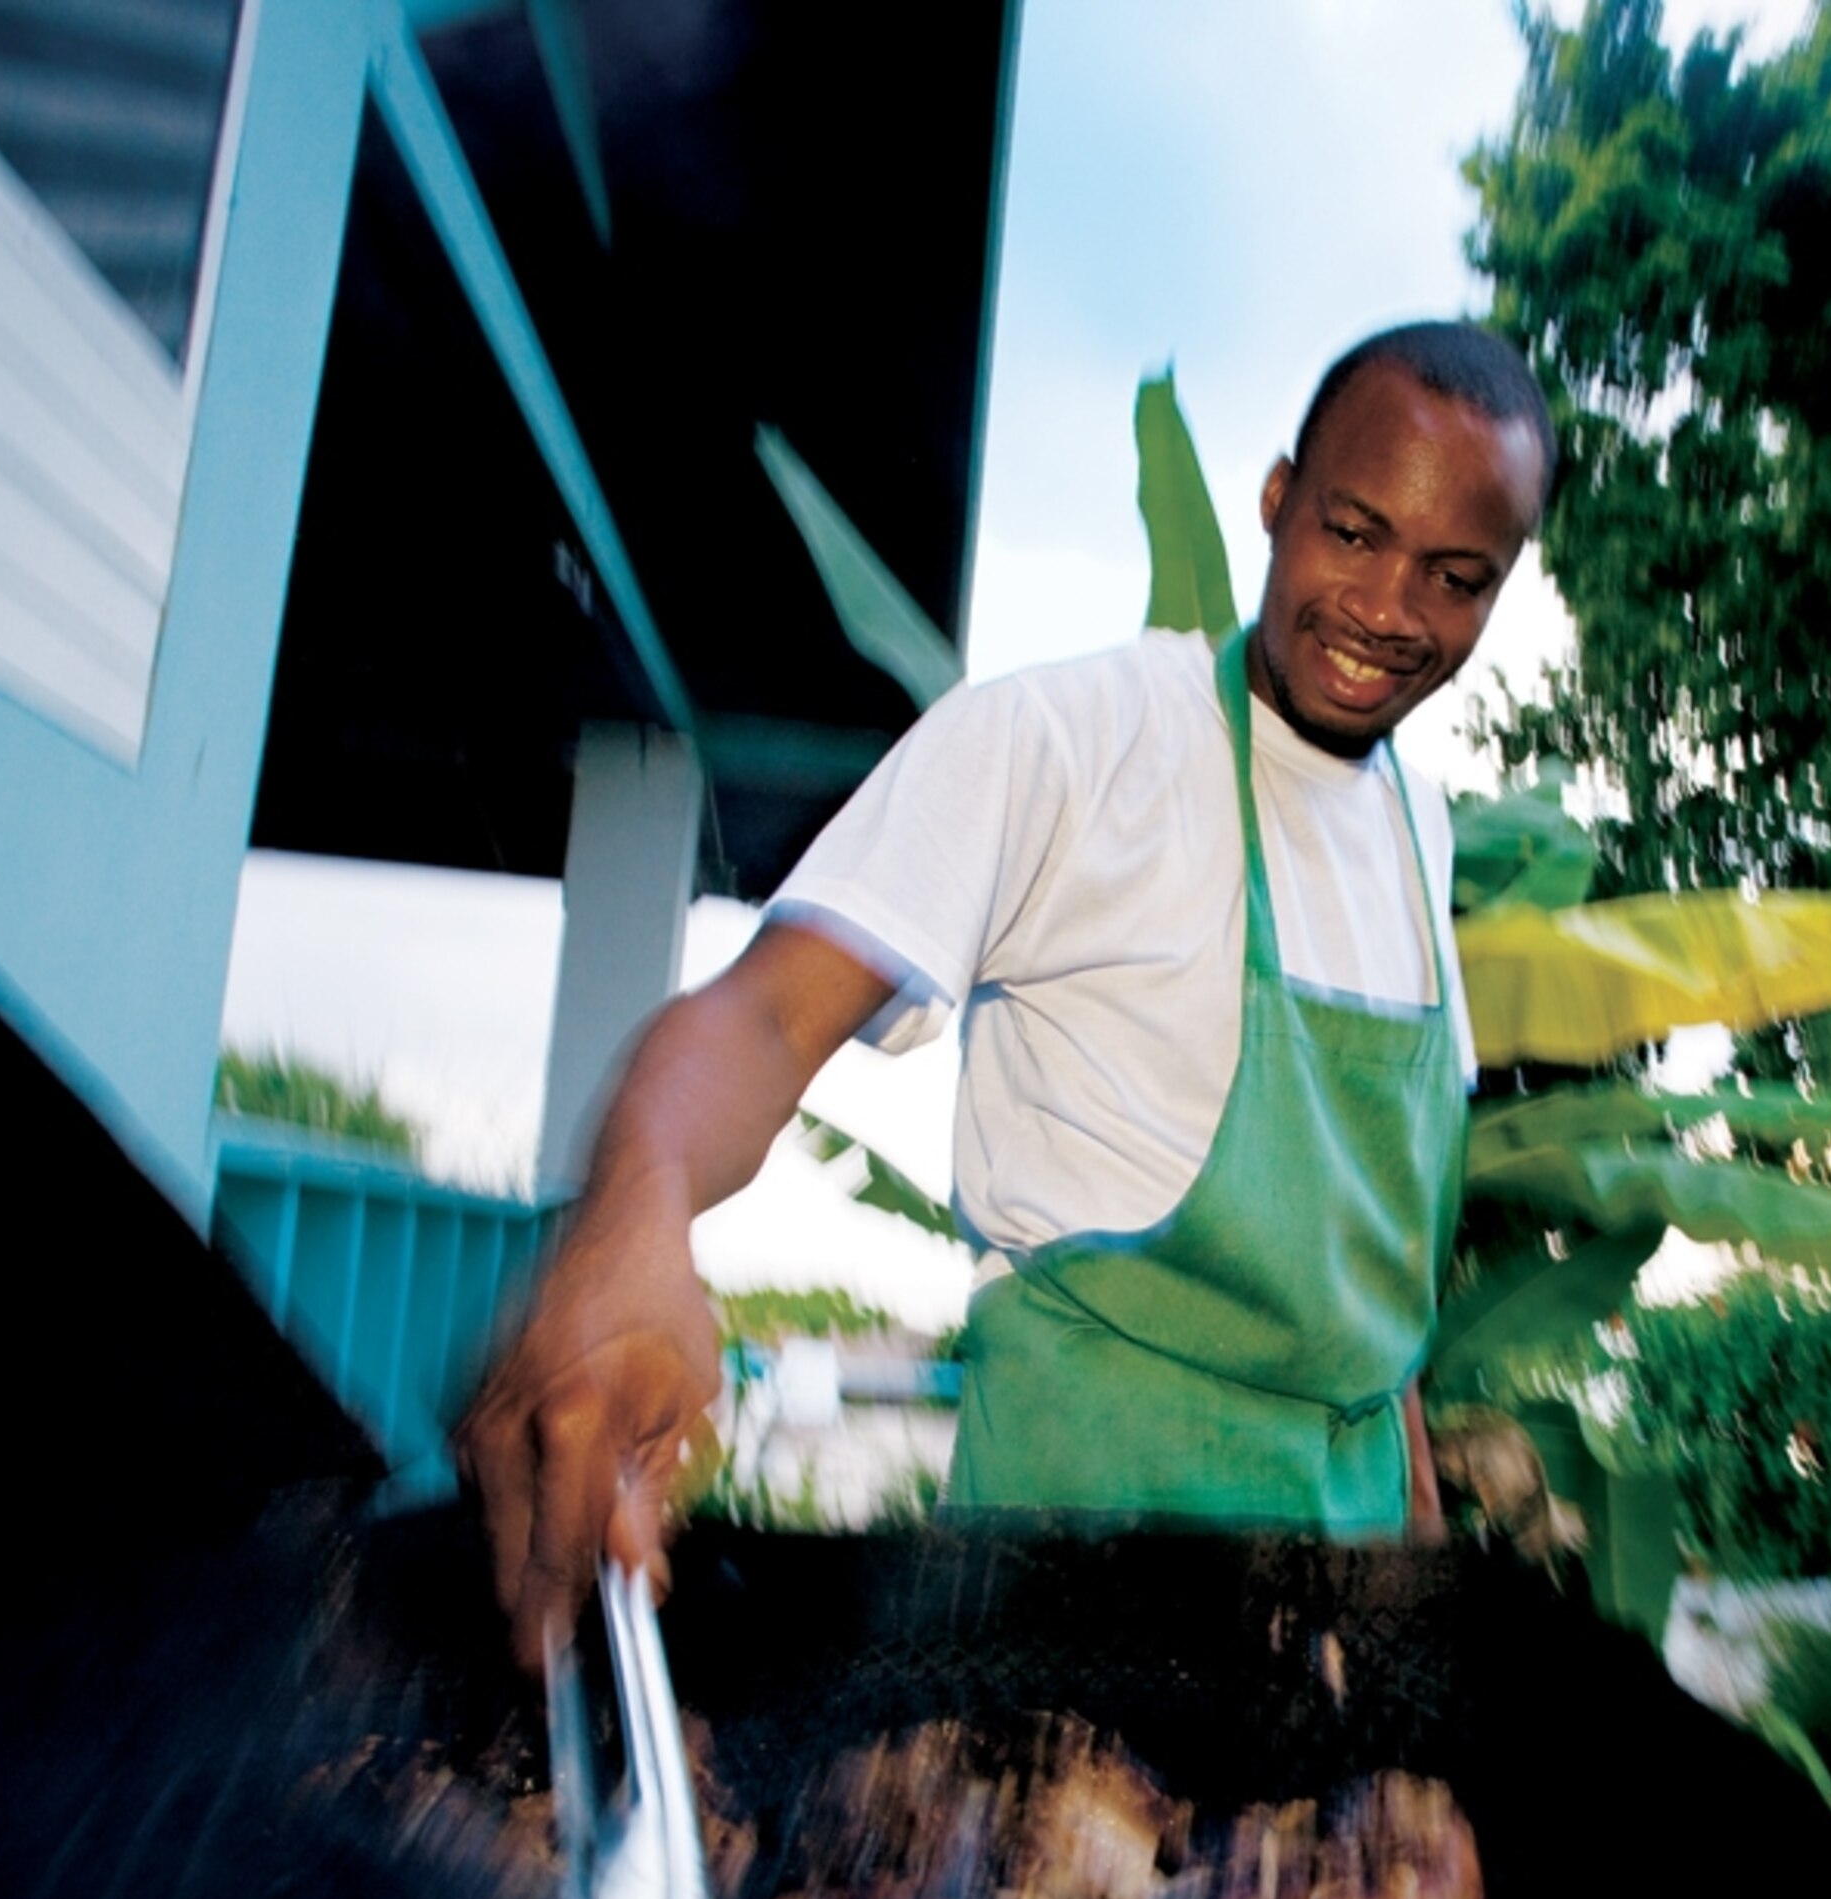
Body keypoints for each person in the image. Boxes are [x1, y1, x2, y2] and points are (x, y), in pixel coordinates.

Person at [463, 321, 1555, 1660]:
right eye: (1353, 532)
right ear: (1278, 501)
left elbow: (1374, 1324)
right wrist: (632, 1218)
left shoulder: (1419, 832)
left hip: (1333, 1629)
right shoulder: (1070, 739)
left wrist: (1420, 1586)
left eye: (1453, 577)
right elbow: (763, 1015)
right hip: (1060, 1616)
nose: (1388, 608)